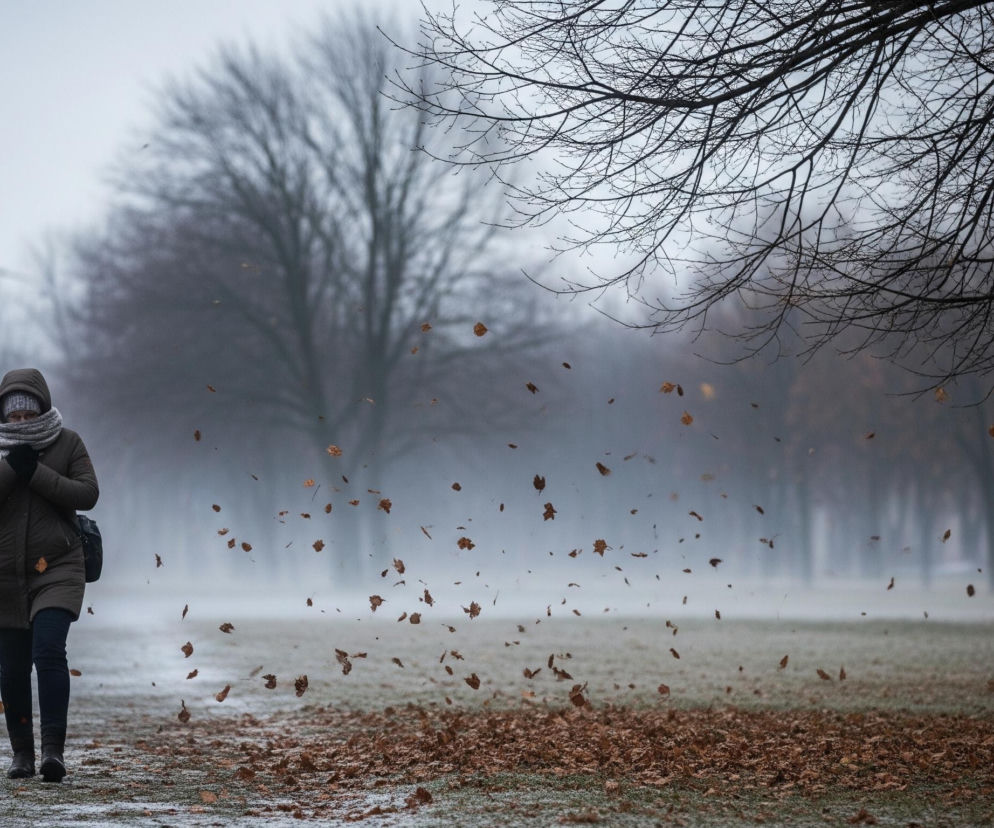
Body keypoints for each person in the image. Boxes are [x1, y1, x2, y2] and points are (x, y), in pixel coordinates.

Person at [0, 368, 98, 783]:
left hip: (58, 566)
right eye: (13, 416)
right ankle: (22, 754)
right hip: (5, 576)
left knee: (48, 651)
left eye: (28, 414)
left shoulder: (68, 442)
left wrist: (36, 472)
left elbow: (87, 494)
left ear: (42, 408)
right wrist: (12, 469)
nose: (21, 422)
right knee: (11, 668)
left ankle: (52, 753)